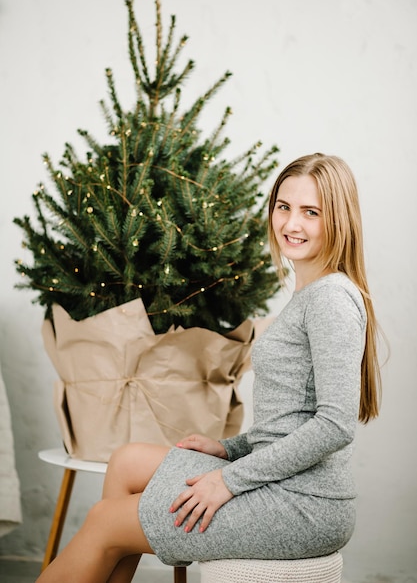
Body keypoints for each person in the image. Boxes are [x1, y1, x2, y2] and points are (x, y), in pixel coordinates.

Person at [36, 153, 381, 583]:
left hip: (304, 503)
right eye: (283, 207)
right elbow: (290, 420)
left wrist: (230, 480)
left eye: (311, 212)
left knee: (106, 522)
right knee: (125, 461)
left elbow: (334, 425)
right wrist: (229, 449)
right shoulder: (311, 293)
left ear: (339, 220)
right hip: (282, 483)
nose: (292, 224)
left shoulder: (330, 299)